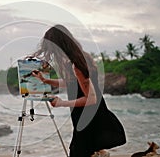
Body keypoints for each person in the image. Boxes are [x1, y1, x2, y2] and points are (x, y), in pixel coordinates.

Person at [31, 25, 126, 157]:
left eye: (52, 50)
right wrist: (46, 81)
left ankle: (100, 153)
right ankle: (99, 153)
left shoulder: (77, 65)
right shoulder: (80, 59)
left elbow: (91, 99)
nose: (52, 54)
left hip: (89, 116)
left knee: (78, 152)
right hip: (85, 115)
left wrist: (62, 103)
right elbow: (72, 83)